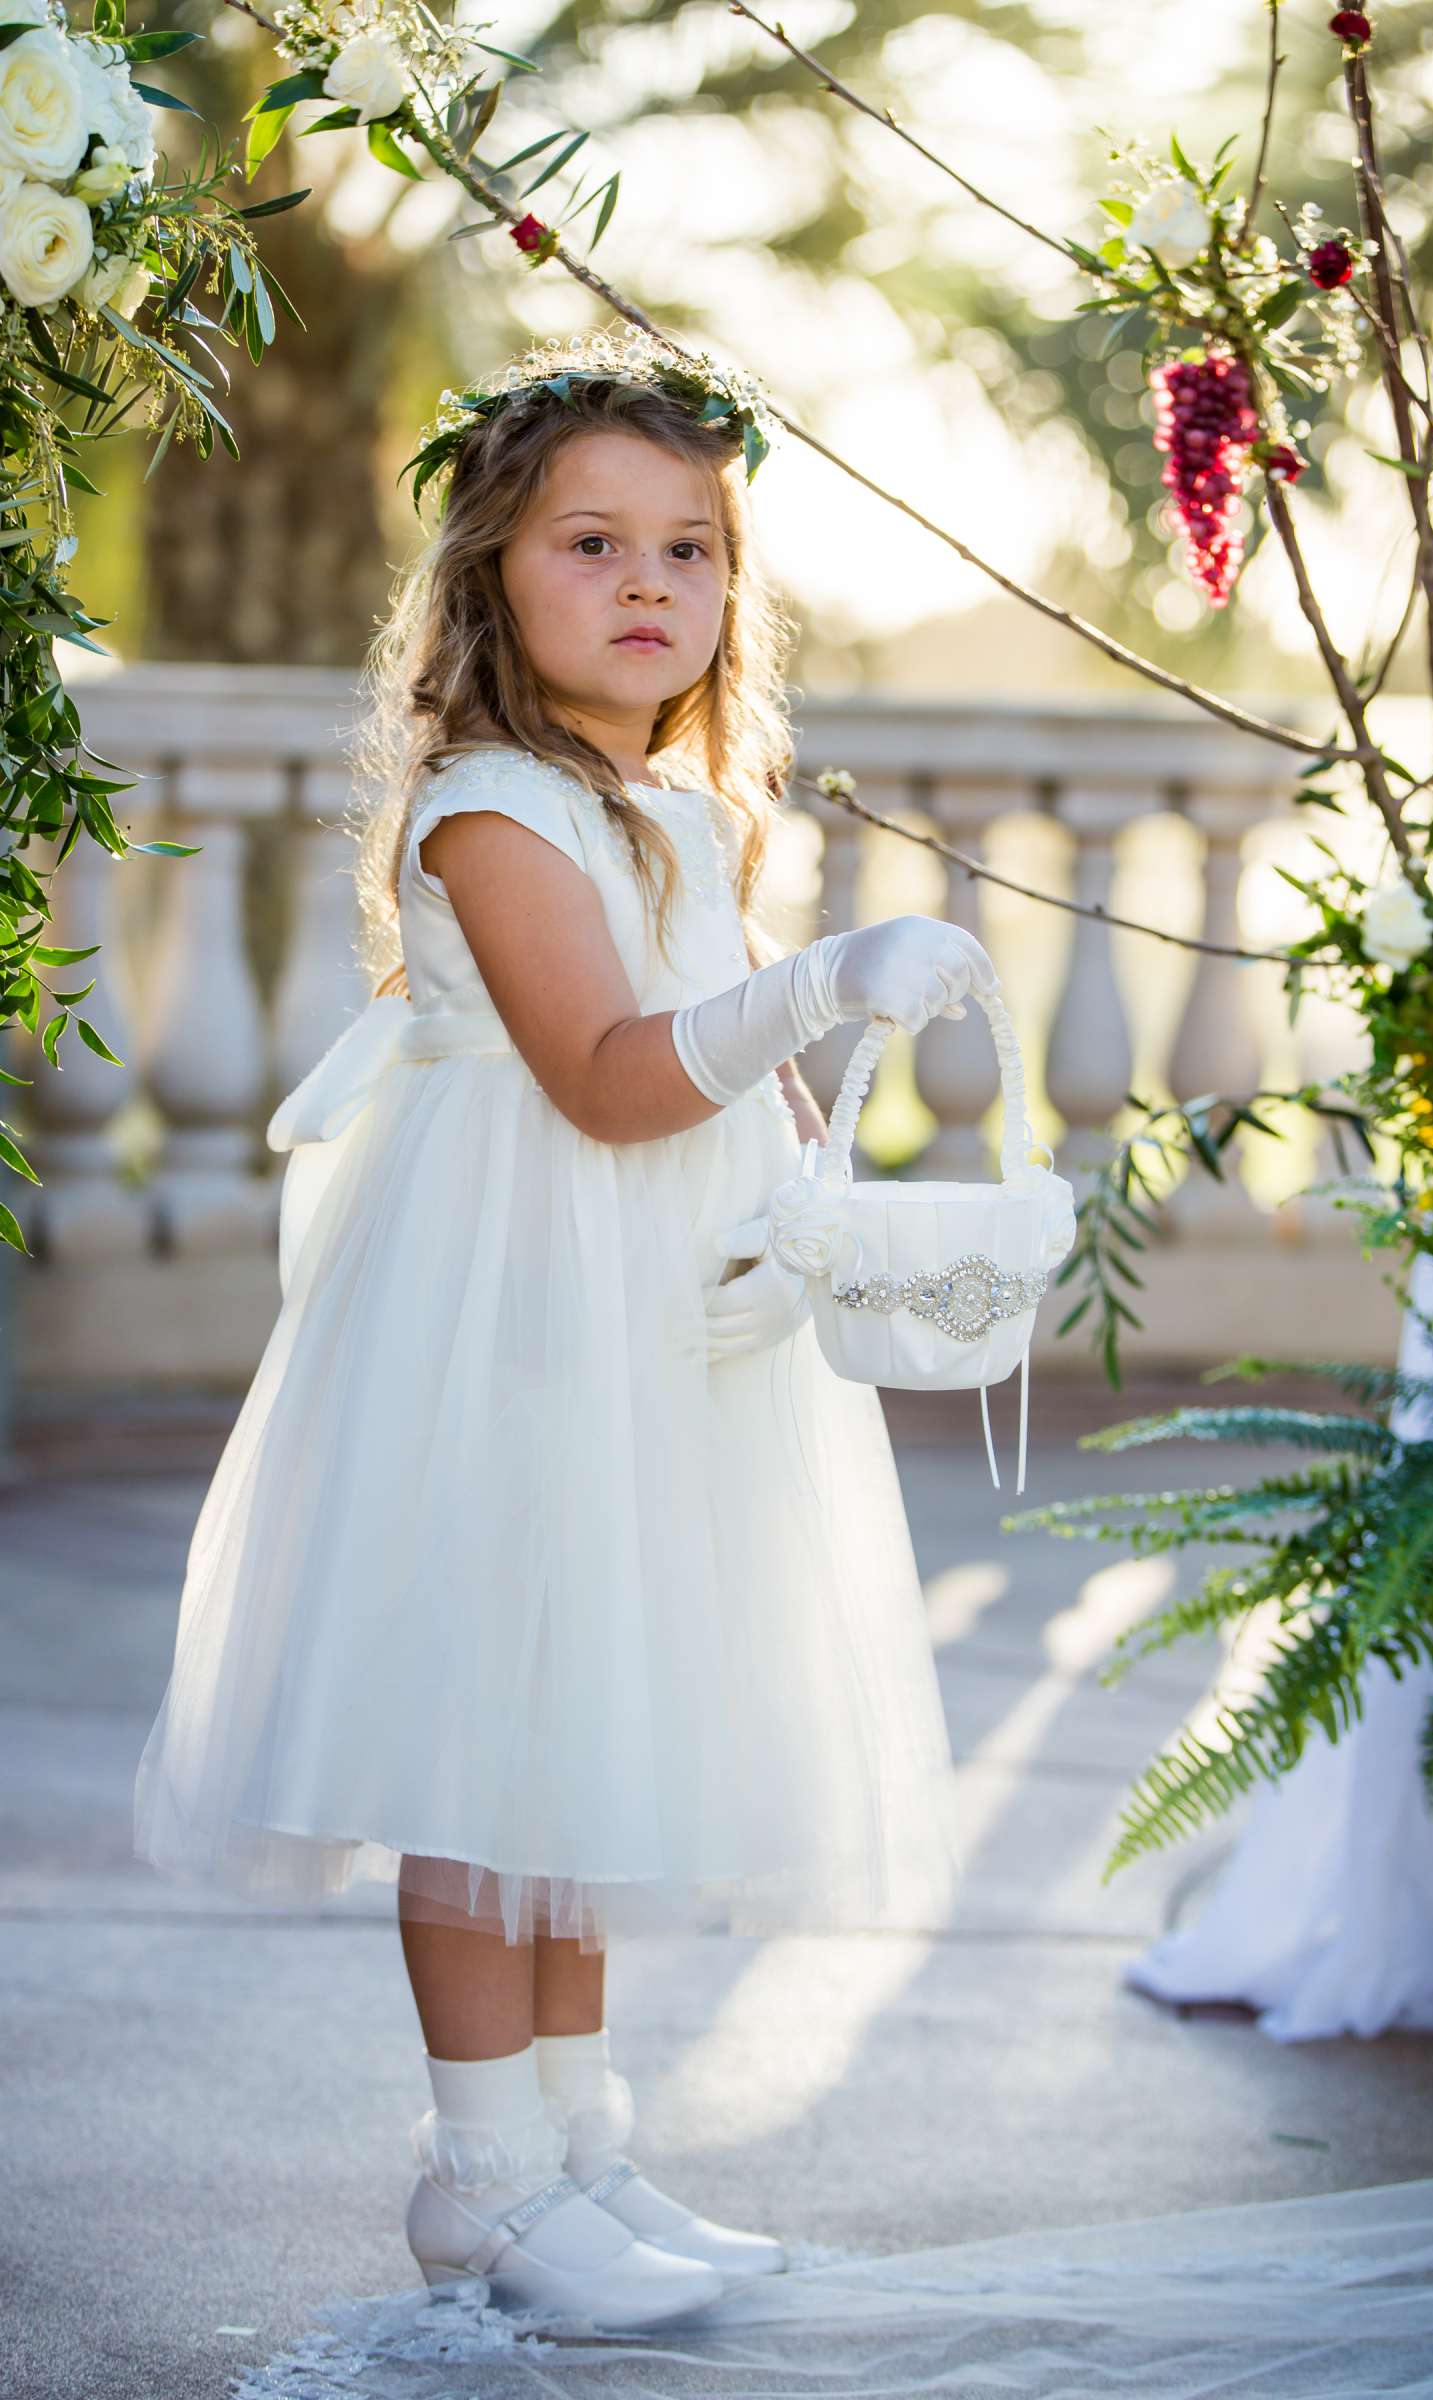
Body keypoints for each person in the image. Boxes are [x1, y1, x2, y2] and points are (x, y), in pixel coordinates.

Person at [132, 324, 996, 2333]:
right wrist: (819, 985)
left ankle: (584, 2147)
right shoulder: (499, 806)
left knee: (586, 1728)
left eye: (687, 551)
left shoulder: (672, 805)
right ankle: (486, 2178)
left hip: (646, 1322)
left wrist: (804, 1162)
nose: (645, 586)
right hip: (509, 1319)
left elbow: (718, 1072)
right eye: (590, 543)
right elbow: (611, 1079)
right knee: (485, 1735)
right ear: (488, 582)